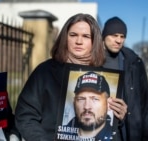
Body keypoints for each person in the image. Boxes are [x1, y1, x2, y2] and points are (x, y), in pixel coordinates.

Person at [15, 13, 127, 141]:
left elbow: (113, 129)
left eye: (86, 36)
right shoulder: (45, 72)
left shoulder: (104, 77)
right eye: (73, 35)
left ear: (94, 41)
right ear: (65, 38)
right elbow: (25, 116)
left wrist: (119, 117)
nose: (78, 41)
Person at [102, 16, 148, 141]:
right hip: (97, 129)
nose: (119, 40)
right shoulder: (90, 60)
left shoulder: (134, 63)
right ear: (104, 35)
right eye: (114, 35)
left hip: (125, 131)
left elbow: (145, 104)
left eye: (122, 36)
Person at [66, 71, 115, 140]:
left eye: (95, 99)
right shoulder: (58, 133)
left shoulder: (117, 136)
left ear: (109, 104)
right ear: (74, 102)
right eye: (81, 99)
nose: (87, 107)